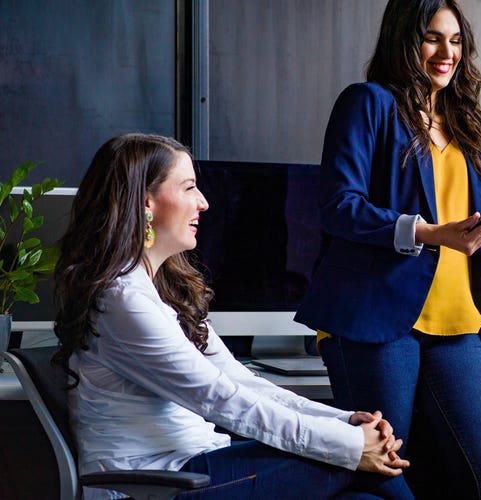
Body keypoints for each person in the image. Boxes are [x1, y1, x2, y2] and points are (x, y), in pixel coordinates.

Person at [52, 133, 414, 500]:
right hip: (157, 484)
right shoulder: (123, 300)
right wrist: (352, 445)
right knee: (370, 467)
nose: (204, 203)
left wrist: (343, 421)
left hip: (199, 463)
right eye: (190, 188)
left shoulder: (160, 291)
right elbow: (220, 398)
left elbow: (242, 381)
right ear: (146, 202)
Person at [294, 0, 481, 498]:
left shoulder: (467, 123)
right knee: (383, 477)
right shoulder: (368, 102)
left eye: (456, 40)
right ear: (404, 39)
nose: (447, 52)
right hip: (376, 320)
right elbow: (338, 205)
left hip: (458, 323)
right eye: (432, 38)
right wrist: (430, 233)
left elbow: (468, 232)